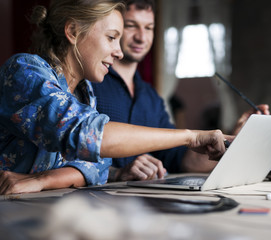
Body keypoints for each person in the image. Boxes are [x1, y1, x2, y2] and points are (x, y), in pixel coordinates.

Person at [0, 0, 232, 195]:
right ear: (72, 31)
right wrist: (191, 136)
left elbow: (97, 165)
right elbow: (91, 136)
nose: (119, 51)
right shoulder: (24, 72)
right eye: (111, 37)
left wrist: (43, 180)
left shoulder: (85, 93)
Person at [92, 0, 270, 182]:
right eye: (131, 26)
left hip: (143, 203)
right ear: (116, 28)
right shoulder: (91, 82)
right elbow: (72, 147)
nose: (141, 37)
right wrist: (116, 172)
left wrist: (235, 141)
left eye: (149, 28)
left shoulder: (151, 96)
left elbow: (180, 159)